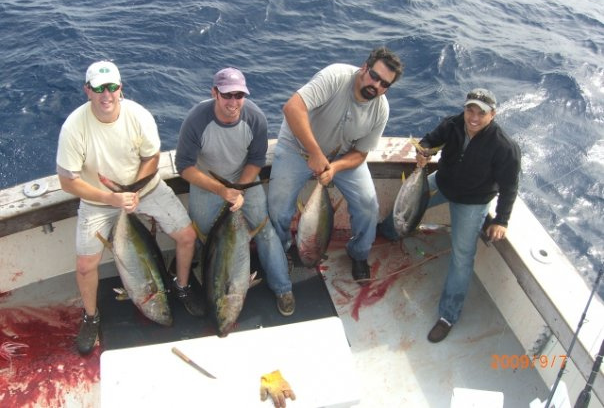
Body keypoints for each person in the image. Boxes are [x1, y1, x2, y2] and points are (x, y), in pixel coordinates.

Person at [56, 61, 204, 355]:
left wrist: (132, 190)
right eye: (98, 88)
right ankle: (91, 316)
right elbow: (67, 181)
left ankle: (183, 286)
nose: (105, 94)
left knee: (187, 236)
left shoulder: (138, 116)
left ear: (120, 87)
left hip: (146, 189)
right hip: (98, 199)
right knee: (86, 265)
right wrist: (111, 198)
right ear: (87, 91)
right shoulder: (74, 127)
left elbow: (152, 158)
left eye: (111, 87)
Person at [380, 88, 521, 342]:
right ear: (465, 109)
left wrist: (501, 220)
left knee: (462, 257)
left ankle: (448, 316)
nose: (474, 117)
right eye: (470, 110)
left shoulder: (504, 147)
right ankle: (386, 232)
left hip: (472, 202)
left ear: (493, 114)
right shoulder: (454, 124)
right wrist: (423, 151)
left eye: (481, 113)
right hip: (441, 183)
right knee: (403, 210)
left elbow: (510, 187)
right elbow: (429, 140)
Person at [267, 47, 404, 285]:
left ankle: (359, 252)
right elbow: (292, 108)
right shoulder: (336, 76)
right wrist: (315, 154)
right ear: (364, 68)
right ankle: (282, 249)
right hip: (297, 147)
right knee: (279, 208)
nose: (377, 85)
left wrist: (335, 167)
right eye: (374, 76)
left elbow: (360, 153)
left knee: (368, 205)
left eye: (385, 84)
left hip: (340, 156)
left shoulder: (381, 109)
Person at [175, 67, 295, 316]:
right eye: (227, 95)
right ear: (215, 93)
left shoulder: (255, 117)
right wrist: (221, 190)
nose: (233, 101)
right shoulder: (197, 119)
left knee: (264, 231)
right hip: (207, 182)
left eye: (238, 95)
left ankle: (283, 288)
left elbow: (256, 159)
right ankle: (212, 289)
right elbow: (184, 167)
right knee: (204, 237)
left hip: (244, 180)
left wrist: (239, 189)